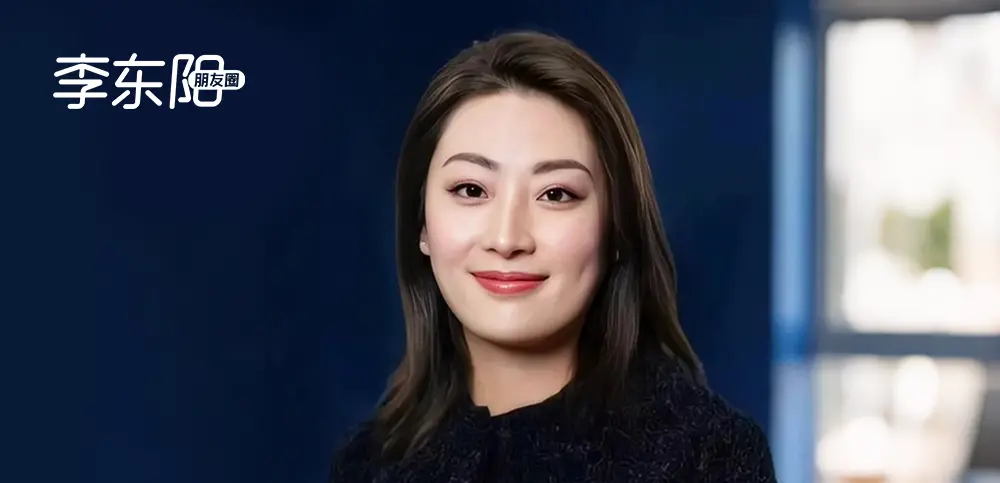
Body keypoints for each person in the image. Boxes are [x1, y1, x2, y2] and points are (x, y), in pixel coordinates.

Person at [330, 31, 776, 482]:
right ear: (422, 224)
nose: (507, 239)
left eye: (556, 194)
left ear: (616, 229)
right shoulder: (368, 464)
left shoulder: (708, 456)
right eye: (471, 190)